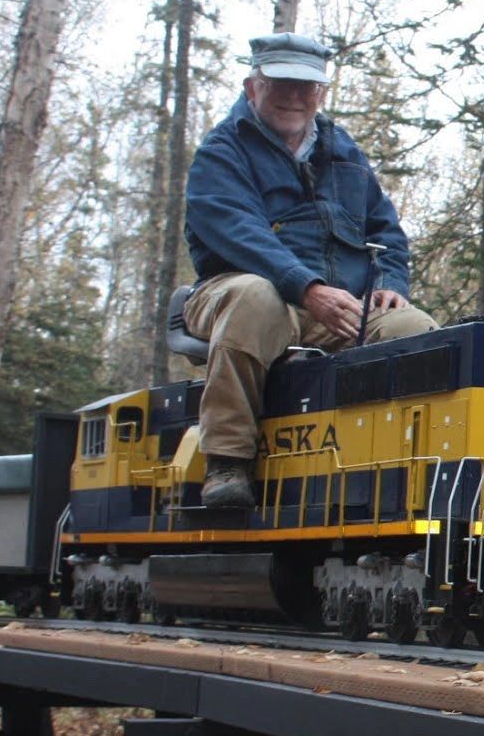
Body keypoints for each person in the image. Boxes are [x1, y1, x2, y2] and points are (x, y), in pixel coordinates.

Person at [182, 32, 437, 509]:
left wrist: (389, 284)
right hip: (236, 293)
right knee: (254, 297)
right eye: (281, 84)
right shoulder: (222, 152)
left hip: (335, 305)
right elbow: (239, 234)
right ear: (253, 87)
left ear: (321, 92)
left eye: (306, 87)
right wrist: (307, 287)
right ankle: (227, 462)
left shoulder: (344, 154)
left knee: (415, 330)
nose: (294, 97)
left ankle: (399, 469)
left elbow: (386, 230)